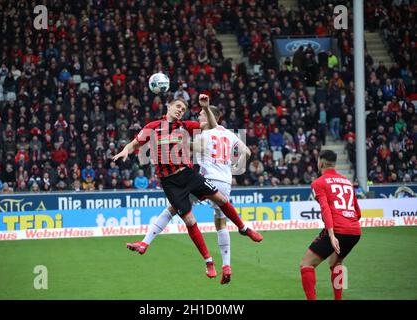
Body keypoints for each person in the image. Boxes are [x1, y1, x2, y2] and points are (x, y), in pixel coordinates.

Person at [113, 95, 263, 278]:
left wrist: (206, 108)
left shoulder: (185, 126)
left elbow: (212, 126)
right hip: (170, 182)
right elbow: (135, 143)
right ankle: (209, 262)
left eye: (183, 109)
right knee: (190, 221)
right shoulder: (152, 127)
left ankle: (243, 229)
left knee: (220, 200)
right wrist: (125, 150)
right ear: (168, 107)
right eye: (177, 107)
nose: (180, 110)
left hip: (188, 174)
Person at [300, 150, 361, 300]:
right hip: (354, 231)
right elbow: (358, 212)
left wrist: (332, 234)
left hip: (337, 230)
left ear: (320, 162)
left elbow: (325, 209)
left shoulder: (318, 183)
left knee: (306, 264)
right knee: (336, 261)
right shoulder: (347, 182)